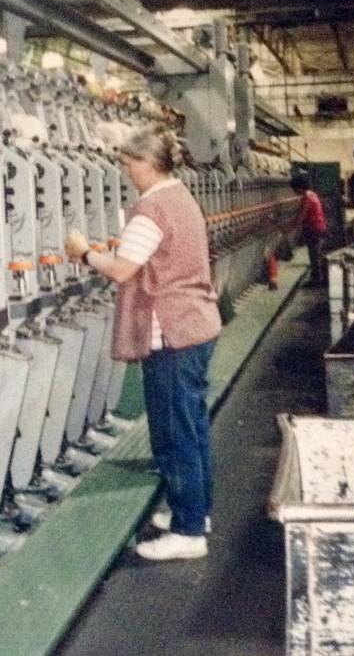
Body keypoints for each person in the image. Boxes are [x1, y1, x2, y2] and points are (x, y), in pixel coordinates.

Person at [64, 125, 221, 561]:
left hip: (173, 332)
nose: (125, 170)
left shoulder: (150, 210)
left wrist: (82, 251)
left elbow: (120, 270)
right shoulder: (181, 197)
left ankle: (190, 533)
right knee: (192, 426)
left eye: (129, 163)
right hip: (195, 324)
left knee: (175, 432)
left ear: (149, 164)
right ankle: (195, 512)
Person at [290, 170, 328, 287]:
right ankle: (318, 277)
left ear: (299, 188)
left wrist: (289, 229)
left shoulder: (306, 198)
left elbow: (301, 216)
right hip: (319, 227)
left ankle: (317, 280)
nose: (294, 192)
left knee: (314, 255)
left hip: (314, 229)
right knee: (316, 254)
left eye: (295, 189)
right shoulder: (313, 194)